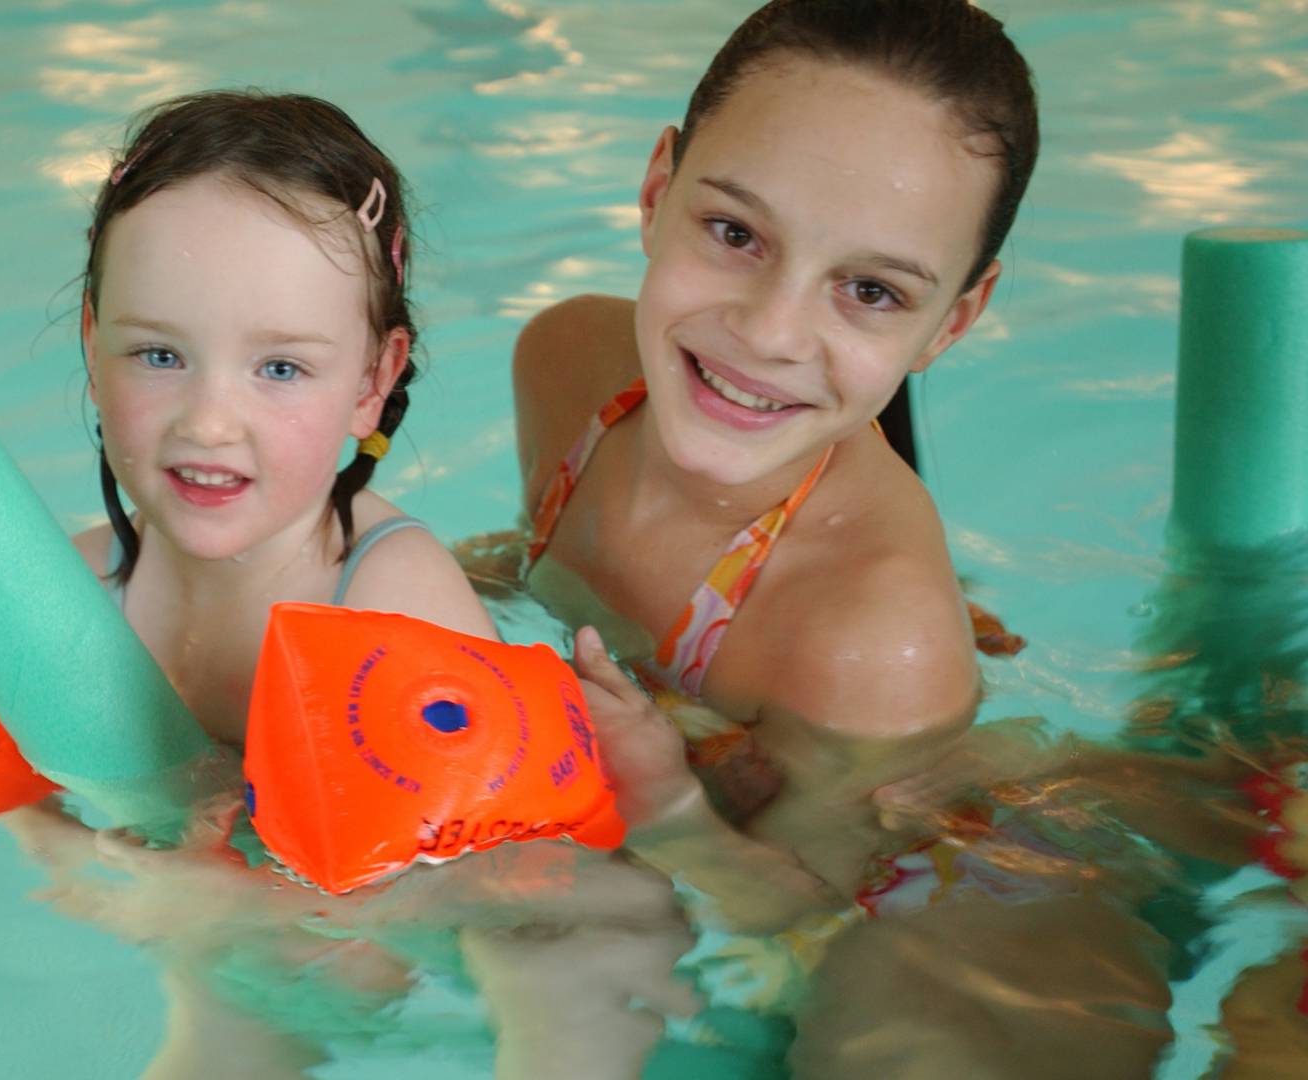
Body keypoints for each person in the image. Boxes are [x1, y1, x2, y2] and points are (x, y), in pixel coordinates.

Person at [493, 1, 1174, 1074]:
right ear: (657, 189)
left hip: (949, 892)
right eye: (733, 233)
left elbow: (797, 921)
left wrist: (665, 806)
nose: (768, 333)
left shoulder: (873, 642)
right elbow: (539, 574)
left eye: (869, 290)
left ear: (951, 322)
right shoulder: (569, 364)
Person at [1, 89, 690, 1079]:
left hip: (532, 912)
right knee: (216, 1036)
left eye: (280, 368)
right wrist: (61, 849)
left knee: (568, 981)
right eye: (160, 354)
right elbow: (17, 767)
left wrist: (212, 900)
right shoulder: (80, 587)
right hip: (266, 914)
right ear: (90, 336)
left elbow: (464, 876)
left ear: (372, 379)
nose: (209, 421)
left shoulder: (386, 595)